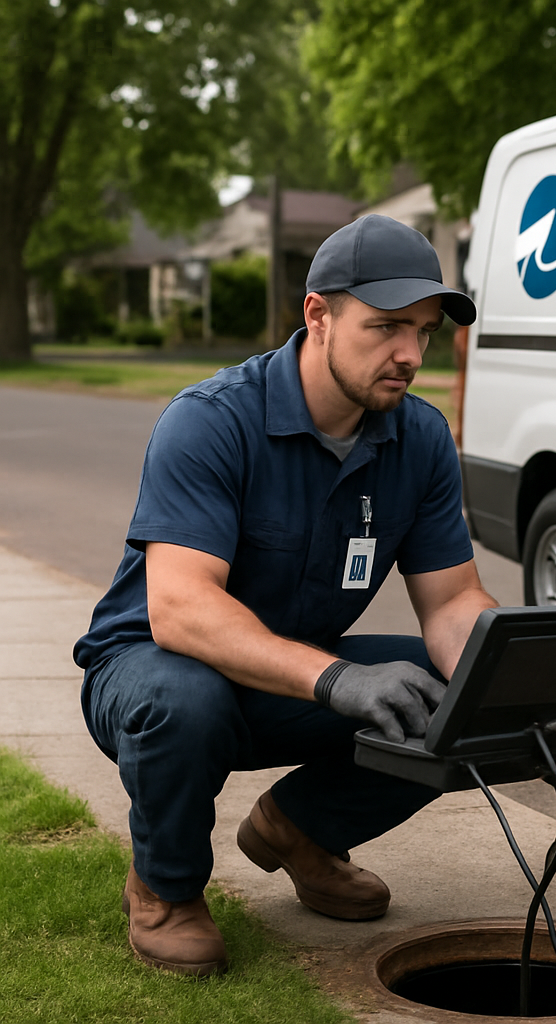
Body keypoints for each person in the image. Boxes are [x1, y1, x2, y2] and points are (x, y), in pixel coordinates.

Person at [73, 214, 498, 977]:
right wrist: (337, 679)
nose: (410, 354)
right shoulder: (210, 422)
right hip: (152, 668)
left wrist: (498, 678)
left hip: (290, 679)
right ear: (318, 315)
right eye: (387, 327)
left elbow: (451, 602)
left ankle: (300, 830)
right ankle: (166, 891)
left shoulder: (420, 438)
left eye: (424, 332)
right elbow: (181, 610)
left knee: (458, 696)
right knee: (185, 700)